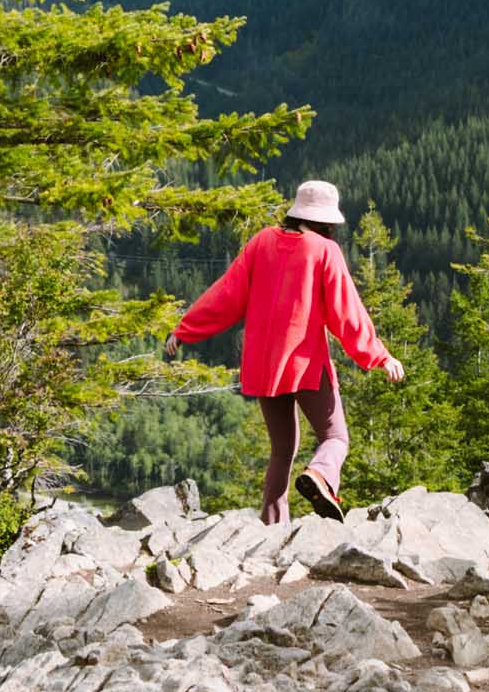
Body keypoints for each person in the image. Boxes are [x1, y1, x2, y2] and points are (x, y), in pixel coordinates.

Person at [163, 179, 404, 522]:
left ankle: (273, 526)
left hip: (263, 365)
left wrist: (186, 328)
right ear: (326, 221)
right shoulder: (324, 251)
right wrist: (378, 355)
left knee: (282, 451)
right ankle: (320, 475)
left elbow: (227, 294)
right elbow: (345, 312)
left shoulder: (262, 241)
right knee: (335, 437)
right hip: (304, 364)